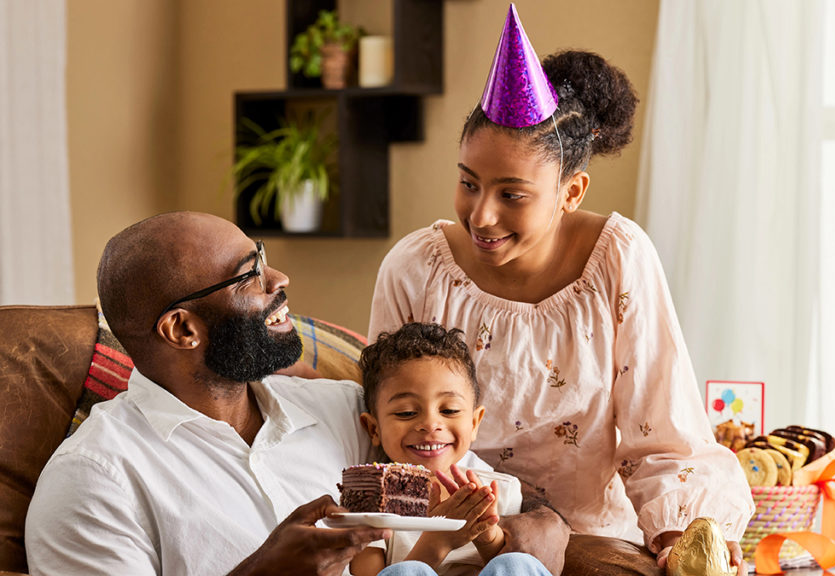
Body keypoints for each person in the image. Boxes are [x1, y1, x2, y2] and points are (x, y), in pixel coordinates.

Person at [367, 4, 755, 572]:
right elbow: (380, 423)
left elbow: (663, 434)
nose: (482, 215)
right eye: (468, 183)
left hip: (585, 547)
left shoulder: (617, 259)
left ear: (571, 192)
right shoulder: (414, 268)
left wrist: (679, 535)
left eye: (512, 195)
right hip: (439, 540)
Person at [24, 212, 567, 576]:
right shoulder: (95, 481)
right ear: (183, 330)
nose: (278, 278)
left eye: (262, 257)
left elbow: (483, 484)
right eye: (248, 274)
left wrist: (530, 533)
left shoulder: (341, 410)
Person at [350, 322, 550, 576]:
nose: (431, 424)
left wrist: (488, 536)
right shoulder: (368, 498)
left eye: (449, 410)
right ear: (374, 429)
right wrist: (437, 542)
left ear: (474, 423)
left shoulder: (500, 490)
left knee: (516, 563)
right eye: (407, 413)